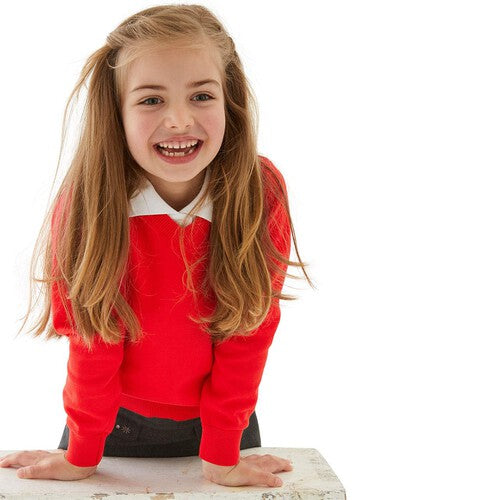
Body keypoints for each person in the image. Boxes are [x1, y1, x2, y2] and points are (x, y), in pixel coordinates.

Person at [0, 3, 314, 488]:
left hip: (225, 427)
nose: (179, 119)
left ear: (229, 100)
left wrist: (223, 452)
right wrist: (81, 453)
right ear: (117, 112)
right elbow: (93, 337)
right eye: (151, 100)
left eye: (201, 95)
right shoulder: (91, 199)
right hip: (109, 426)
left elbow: (250, 331)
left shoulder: (259, 190)